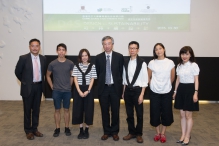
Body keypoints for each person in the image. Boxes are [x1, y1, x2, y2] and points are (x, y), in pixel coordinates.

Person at [15, 38, 46, 140]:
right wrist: (25, 82)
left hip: (39, 87)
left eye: (37, 46)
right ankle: (28, 131)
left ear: (39, 47)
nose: (35, 48)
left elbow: (44, 72)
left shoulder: (43, 58)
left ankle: (35, 129)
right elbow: (17, 72)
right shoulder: (23, 58)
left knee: (36, 110)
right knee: (27, 110)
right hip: (28, 88)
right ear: (29, 47)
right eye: (32, 46)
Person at [95, 36, 124, 141]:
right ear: (102, 45)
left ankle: (115, 132)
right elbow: (97, 74)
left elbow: (121, 73)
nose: (107, 46)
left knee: (115, 111)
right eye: (105, 44)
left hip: (115, 88)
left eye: (109, 43)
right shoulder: (98, 57)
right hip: (103, 88)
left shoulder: (119, 57)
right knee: (104, 111)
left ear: (112, 44)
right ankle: (106, 131)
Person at [148, 43, 175, 143]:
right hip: (154, 91)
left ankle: (163, 133)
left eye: (160, 48)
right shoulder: (152, 62)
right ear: (154, 52)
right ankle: (157, 132)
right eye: (156, 49)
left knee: (166, 112)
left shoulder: (170, 62)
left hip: (166, 91)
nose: (158, 51)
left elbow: (172, 77)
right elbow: (148, 76)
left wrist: (166, 85)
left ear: (164, 49)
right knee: (155, 112)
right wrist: (152, 85)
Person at [122, 41, 148, 143]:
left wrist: (142, 94)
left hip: (138, 91)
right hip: (128, 90)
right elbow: (124, 78)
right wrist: (124, 92)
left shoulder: (142, 63)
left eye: (134, 48)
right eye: (130, 48)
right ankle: (131, 132)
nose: (132, 50)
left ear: (138, 50)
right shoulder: (126, 61)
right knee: (129, 114)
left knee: (139, 114)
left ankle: (139, 134)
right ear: (128, 49)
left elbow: (145, 80)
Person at [173, 46, 199, 145]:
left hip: (190, 90)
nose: (184, 56)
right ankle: (183, 135)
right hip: (181, 90)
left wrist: (195, 92)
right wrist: (175, 92)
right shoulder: (179, 66)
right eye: (183, 54)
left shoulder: (194, 65)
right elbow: (178, 80)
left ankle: (188, 136)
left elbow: (196, 79)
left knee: (188, 115)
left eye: (187, 54)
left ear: (190, 55)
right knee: (182, 115)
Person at [46, 43, 74, 137]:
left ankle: (67, 128)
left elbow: (72, 75)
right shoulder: (52, 64)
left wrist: (69, 85)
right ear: (57, 51)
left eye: (63, 50)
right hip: (56, 91)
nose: (61, 51)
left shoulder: (70, 63)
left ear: (65, 51)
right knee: (57, 110)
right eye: (59, 49)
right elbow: (48, 76)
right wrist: (51, 86)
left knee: (66, 110)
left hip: (67, 91)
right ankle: (57, 128)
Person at [72, 49, 97, 139]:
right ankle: (80, 130)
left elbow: (92, 79)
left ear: (88, 56)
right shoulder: (76, 66)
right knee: (78, 110)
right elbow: (75, 78)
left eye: (86, 55)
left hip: (88, 90)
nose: (84, 57)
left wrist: (88, 90)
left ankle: (86, 130)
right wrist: (79, 91)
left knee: (88, 110)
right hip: (78, 90)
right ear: (80, 57)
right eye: (82, 56)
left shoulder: (92, 66)